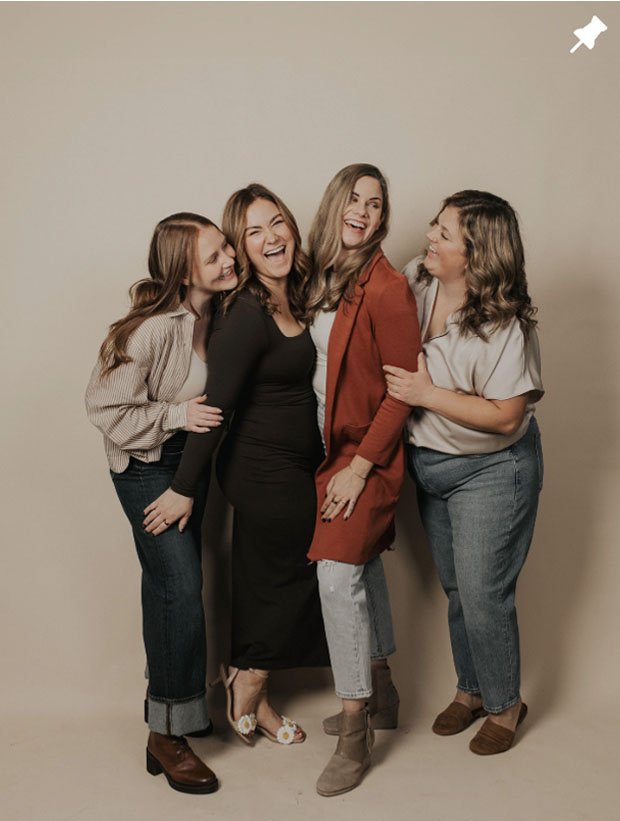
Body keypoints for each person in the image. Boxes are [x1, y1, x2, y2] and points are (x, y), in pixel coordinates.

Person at [142, 184, 329, 746]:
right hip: (261, 468)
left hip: (295, 464)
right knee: (296, 569)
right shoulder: (246, 313)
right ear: (242, 250)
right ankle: (250, 680)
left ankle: (254, 690)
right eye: (253, 233)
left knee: (259, 578)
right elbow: (214, 409)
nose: (270, 238)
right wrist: (182, 487)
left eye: (276, 223)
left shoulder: (295, 294)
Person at [385, 190, 544, 755]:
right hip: (431, 466)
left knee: (483, 591)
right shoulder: (417, 280)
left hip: (492, 471)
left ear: (477, 255)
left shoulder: (506, 326)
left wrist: (428, 393)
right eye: (435, 225)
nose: (429, 236)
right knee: (456, 587)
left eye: (444, 234)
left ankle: (505, 705)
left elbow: (506, 416)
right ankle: (472, 689)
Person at [86, 212, 238, 794]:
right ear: (183, 270)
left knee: (164, 587)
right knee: (180, 587)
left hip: (187, 467)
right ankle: (167, 734)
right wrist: (177, 416)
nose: (228, 260)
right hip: (146, 470)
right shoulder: (151, 329)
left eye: (227, 248)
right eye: (215, 256)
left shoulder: (218, 311)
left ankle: (163, 716)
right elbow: (104, 410)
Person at [303, 164, 422, 796]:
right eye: (354, 199)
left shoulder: (388, 288)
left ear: (382, 219)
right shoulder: (321, 278)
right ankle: (383, 690)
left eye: (375, 204)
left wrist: (357, 467)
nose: (364, 211)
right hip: (329, 453)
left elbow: (402, 395)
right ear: (336, 204)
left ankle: (356, 731)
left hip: (368, 456)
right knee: (367, 562)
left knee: (337, 572)